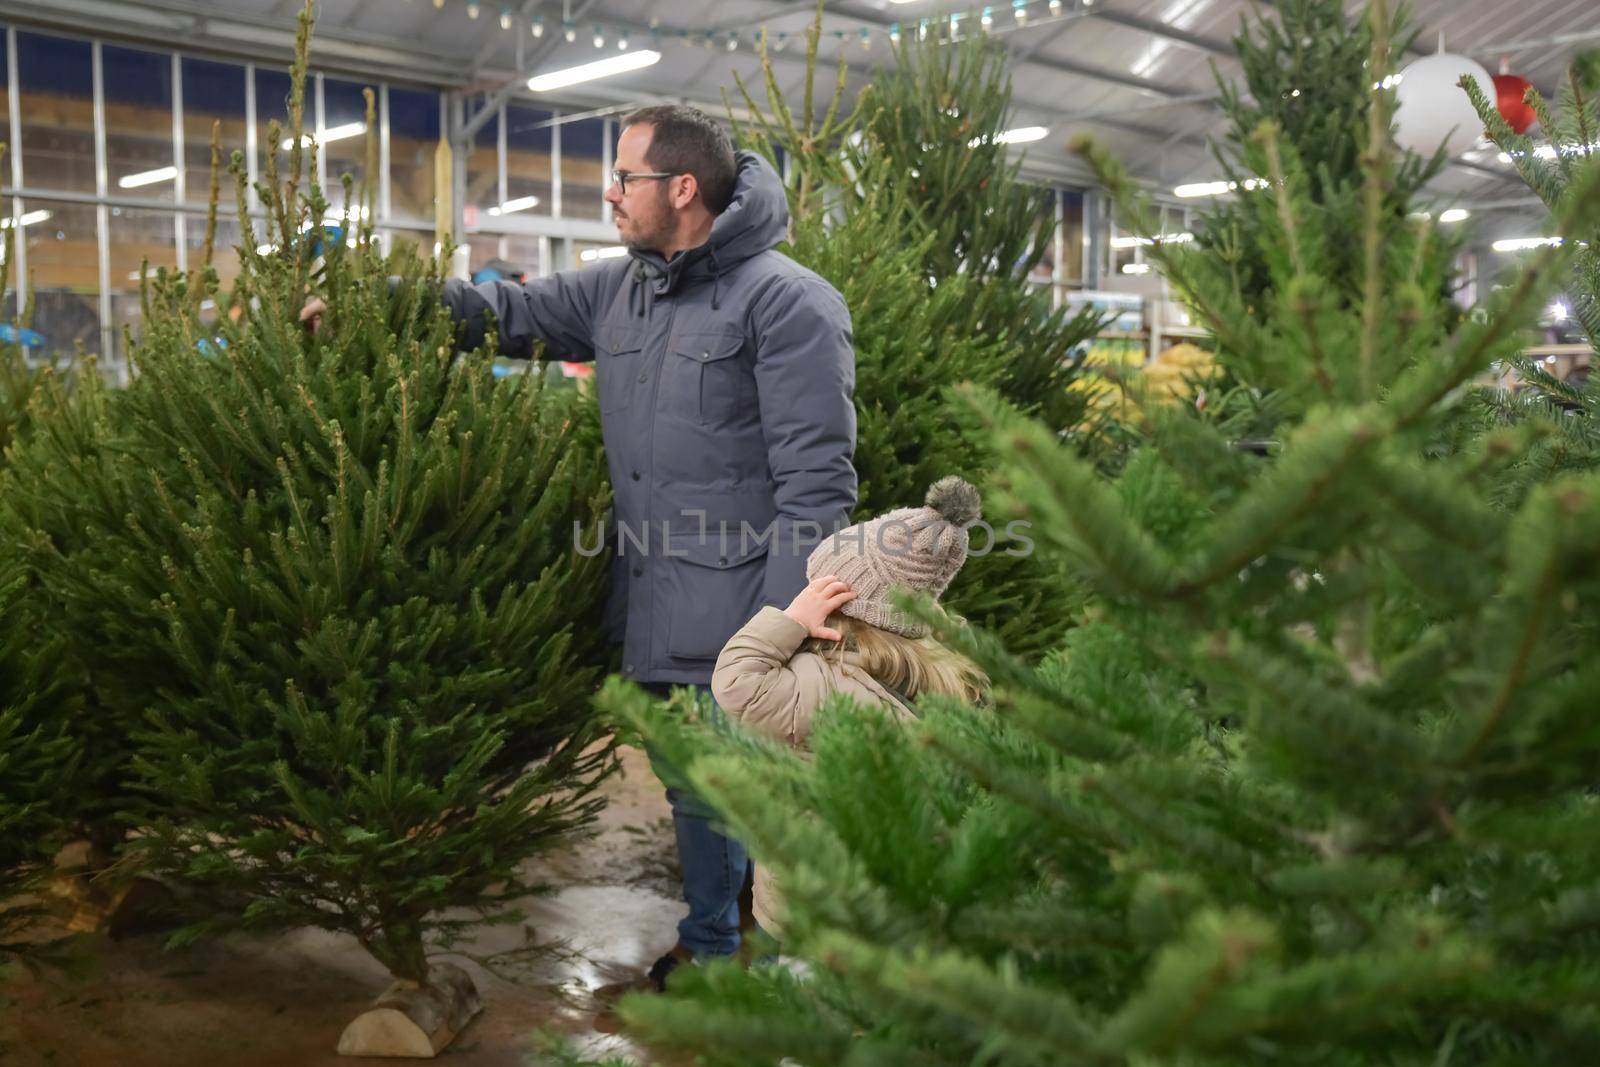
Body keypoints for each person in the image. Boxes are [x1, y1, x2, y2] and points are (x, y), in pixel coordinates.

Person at [303, 104, 856, 988]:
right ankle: (716, 942)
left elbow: (816, 481)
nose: (610, 195)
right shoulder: (618, 289)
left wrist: (782, 627)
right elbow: (505, 313)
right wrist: (376, 302)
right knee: (692, 785)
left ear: (682, 189)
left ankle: (754, 959)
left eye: (625, 178)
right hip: (652, 591)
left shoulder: (787, 303)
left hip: (743, 608)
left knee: (736, 788)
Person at [710, 476, 988, 938]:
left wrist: (792, 620)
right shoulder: (948, 678)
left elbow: (736, 681)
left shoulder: (819, 684)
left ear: (842, 607)